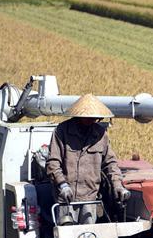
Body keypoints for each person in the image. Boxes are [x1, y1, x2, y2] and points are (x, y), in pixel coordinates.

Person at [45, 94, 130, 225]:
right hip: (66, 198)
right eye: (88, 117)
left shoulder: (101, 135)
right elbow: (53, 163)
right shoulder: (62, 131)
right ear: (79, 115)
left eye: (95, 118)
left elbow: (110, 163)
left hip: (90, 198)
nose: (92, 120)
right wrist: (62, 185)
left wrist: (118, 185)